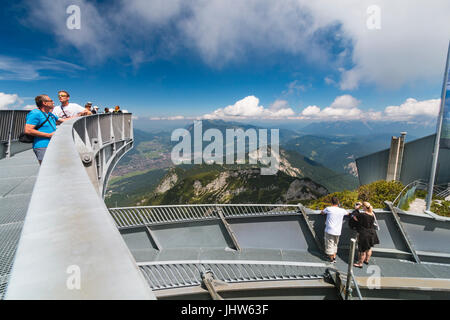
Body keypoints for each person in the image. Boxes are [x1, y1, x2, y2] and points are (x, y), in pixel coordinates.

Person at [24, 95, 67, 164]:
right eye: (51, 101)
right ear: (45, 103)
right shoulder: (35, 113)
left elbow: (64, 120)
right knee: (48, 169)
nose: (53, 102)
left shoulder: (49, 114)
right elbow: (28, 130)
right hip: (43, 146)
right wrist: (49, 135)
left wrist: (80, 115)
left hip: (52, 144)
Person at [321, 197, 349, 263]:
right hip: (338, 230)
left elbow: (322, 212)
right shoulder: (342, 210)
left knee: (329, 244)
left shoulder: (328, 209)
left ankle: (332, 259)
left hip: (329, 230)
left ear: (331, 202)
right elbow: (348, 213)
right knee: (335, 244)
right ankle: (334, 256)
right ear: (338, 203)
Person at [352, 201, 380, 268]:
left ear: (364, 207)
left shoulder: (362, 215)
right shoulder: (372, 214)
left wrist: (356, 209)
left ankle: (360, 263)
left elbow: (354, 217)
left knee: (362, 249)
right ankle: (367, 260)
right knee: (369, 248)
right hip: (372, 232)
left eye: (362, 206)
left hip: (364, 233)